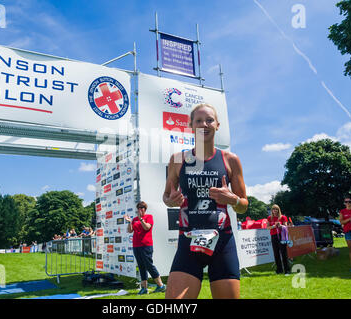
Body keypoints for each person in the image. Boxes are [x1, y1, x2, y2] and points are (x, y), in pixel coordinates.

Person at [162, 103, 248, 299]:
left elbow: (244, 205)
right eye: (199, 121)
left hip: (222, 243)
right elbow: (166, 196)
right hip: (188, 242)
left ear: (217, 125)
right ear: (191, 125)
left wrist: (233, 199)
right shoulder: (177, 159)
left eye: (209, 120)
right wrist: (171, 200)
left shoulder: (230, 159)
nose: (204, 124)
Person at [124, 201, 166, 295]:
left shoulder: (149, 217)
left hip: (146, 245)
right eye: (139, 207)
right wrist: (130, 222)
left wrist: (141, 219)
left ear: (145, 209)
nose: (140, 209)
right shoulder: (134, 219)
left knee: (149, 265)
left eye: (142, 207)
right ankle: (144, 288)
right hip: (136, 245)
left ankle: (161, 286)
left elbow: (147, 228)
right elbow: (130, 230)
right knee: (141, 266)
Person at [267, 204, 290, 275]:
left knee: (284, 253)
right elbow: (267, 227)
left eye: (276, 209)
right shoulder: (269, 218)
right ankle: (279, 270)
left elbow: (286, 226)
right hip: (273, 236)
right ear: (272, 210)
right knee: (276, 253)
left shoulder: (283, 217)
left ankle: (287, 270)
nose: (275, 210)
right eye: (273, 209)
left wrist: (281, 226)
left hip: (281, 236)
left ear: (278, 210)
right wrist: (273, 226)